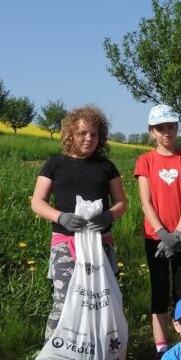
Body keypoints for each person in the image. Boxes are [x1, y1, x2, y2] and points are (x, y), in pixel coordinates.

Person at [30, 105, 128, 340]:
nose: (88, 138)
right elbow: (37, 202)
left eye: (94, 134)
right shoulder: (54, 164)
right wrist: (60, 217)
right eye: (82, 133)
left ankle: (101, 356)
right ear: (70, 134)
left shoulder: (106, 166)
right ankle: (53, 357)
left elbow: (122, 202)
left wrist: (108, 215)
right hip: (66, 243)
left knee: (101, 298)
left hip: (99, 243)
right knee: (63, 300)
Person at [134, 104, 181, 356]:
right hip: (155, 238)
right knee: (159, 290)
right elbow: (145, 202)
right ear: (152, 131)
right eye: (160, 128)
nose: (166, 133)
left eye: (171, 127)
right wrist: (163, 233)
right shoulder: (145, 161)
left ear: (177, 128)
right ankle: (162, 348)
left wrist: (178, 234)